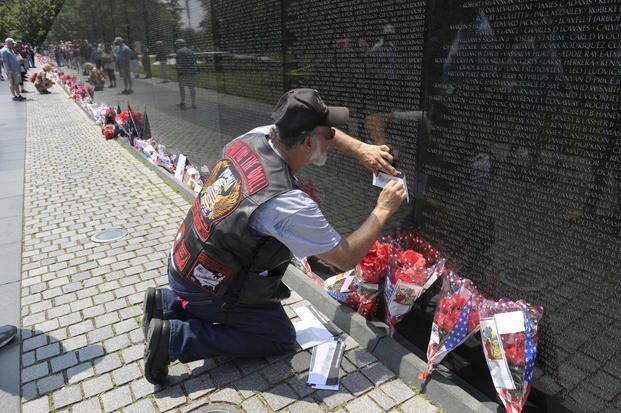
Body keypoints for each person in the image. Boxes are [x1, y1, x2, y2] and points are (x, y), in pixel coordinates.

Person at [141, 88, 405, 385]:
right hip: (210, 284)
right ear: (307, 142)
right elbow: (344, 258)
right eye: (326, 135)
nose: (332, 139)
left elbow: (322, 131)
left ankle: (166, 303)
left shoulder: (258, 135)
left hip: (184, 260)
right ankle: (176, 339)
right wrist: (383, 210)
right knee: (277, 336)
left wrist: (361, 149)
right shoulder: (283, 201)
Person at [174, 39, 197, 109]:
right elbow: (194, 61)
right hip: (192, 71)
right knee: (191, 87)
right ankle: (193, 103)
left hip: (183, 72)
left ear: (179, 44)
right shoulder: (190, 50)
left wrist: (179, 72)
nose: (176, 45)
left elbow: (179, 63)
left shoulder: (179, 51)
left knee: (181, 87)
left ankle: (182, 102)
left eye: (177, 44)